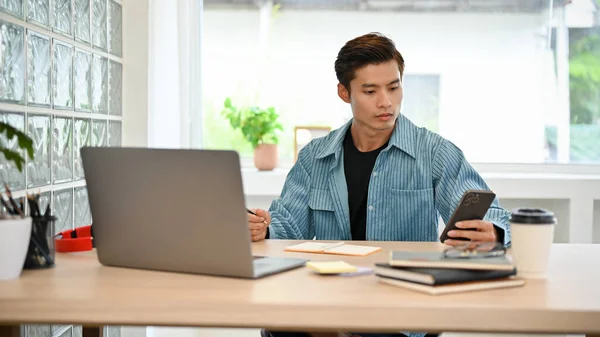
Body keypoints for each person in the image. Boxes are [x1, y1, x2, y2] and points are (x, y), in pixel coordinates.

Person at [247, 32, 511, 337]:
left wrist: (494, 231)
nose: (386, 102)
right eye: (370, 91)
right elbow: (288, 227)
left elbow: (495, 217)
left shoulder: (435, 152)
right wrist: (262, 228)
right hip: (329, 298)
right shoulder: (314, 157)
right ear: (344, 93)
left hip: (401, 307)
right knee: (277, 327)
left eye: (394, 87)